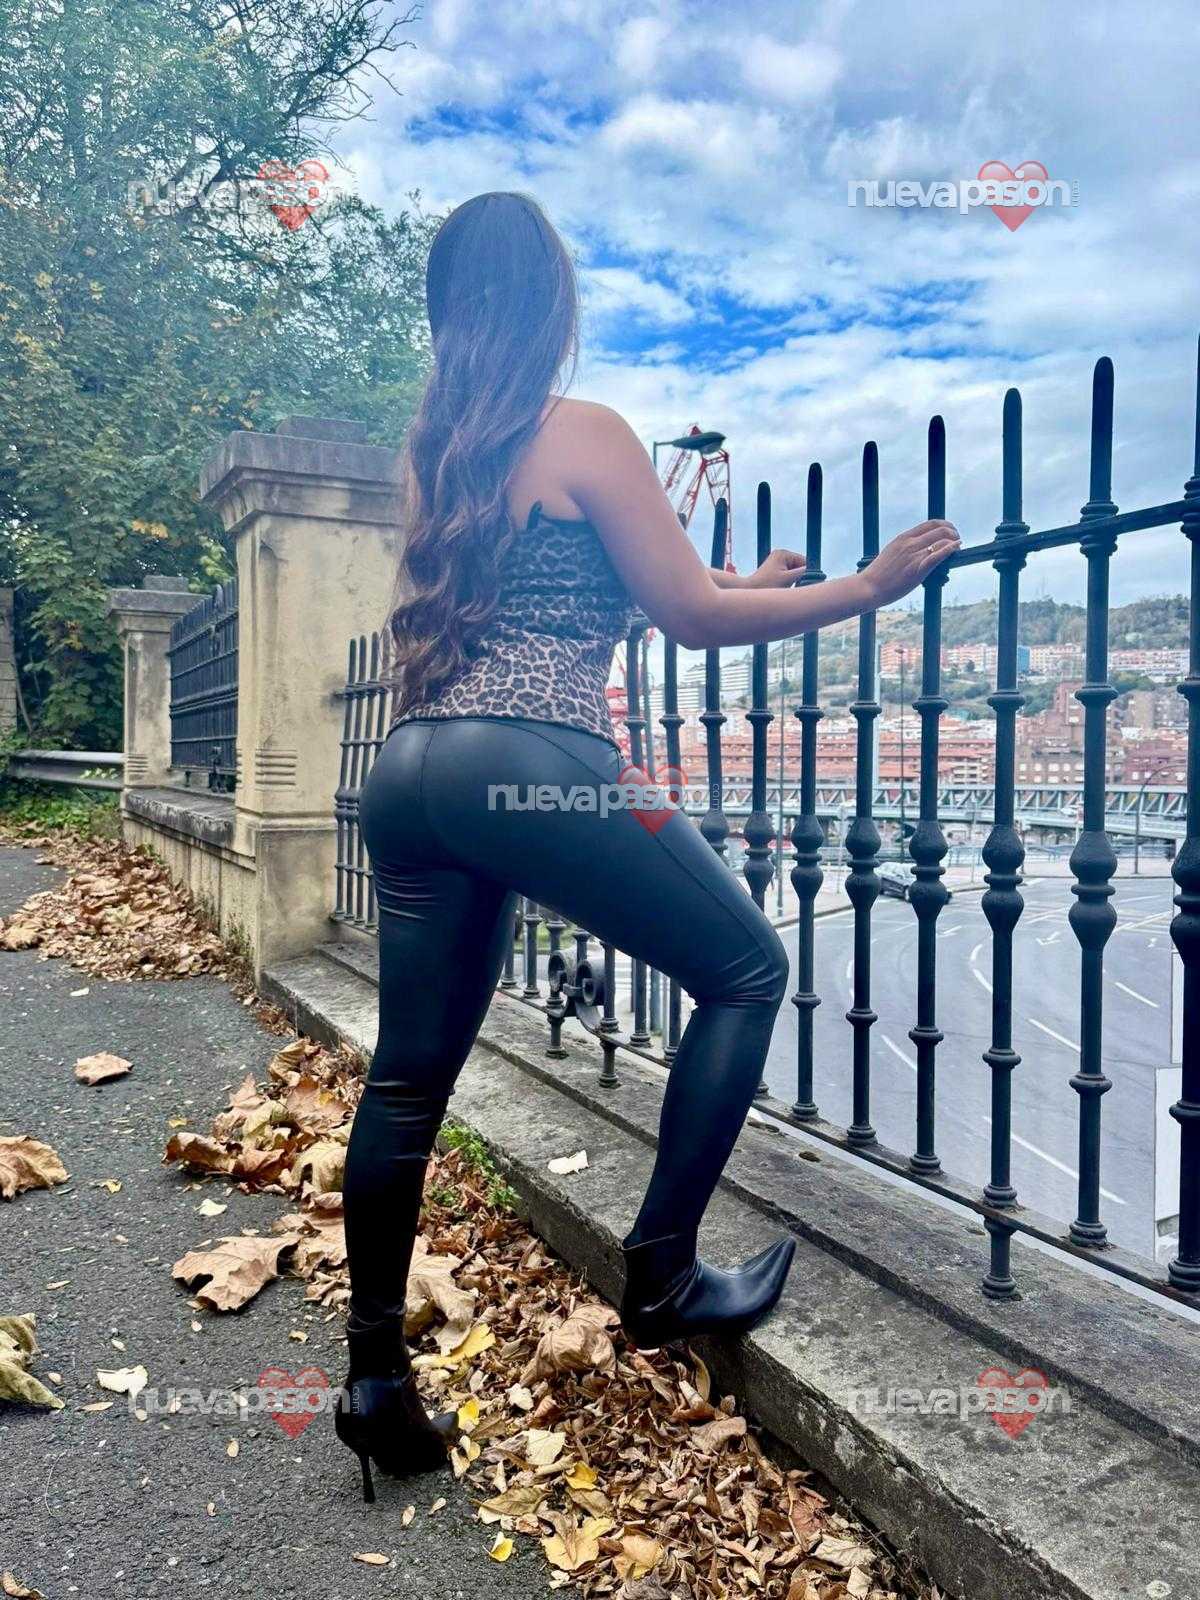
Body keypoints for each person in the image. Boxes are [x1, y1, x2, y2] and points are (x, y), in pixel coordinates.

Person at [335, 191, 959, 1500]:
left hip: (412, 770)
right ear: (552, 303)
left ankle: (374, 1375)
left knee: (405, 1082)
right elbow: (686, 617)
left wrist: (763, 580)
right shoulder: (588, 429)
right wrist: (861, 589)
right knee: (746, 969)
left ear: (450, 315)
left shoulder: (438, 455)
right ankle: (664, 1271)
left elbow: (658, 579)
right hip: (535, 765)